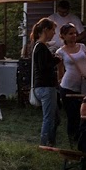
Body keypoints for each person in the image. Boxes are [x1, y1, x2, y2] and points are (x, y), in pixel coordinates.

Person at [56, 23, 86, 144]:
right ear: (63, 36)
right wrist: (59, 83)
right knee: (72, 115)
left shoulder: (82, 47)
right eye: (70, 34)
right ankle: (72, 139)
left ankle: (83, 137)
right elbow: (60, 71)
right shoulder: (60, 51)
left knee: (83, 113)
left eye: (75, 33)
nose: (73, 36)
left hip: (84, 84)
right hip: (68, 85)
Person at [29, 18, 60, 146]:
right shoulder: (41, 47)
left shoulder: (39, 46)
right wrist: (56, 60)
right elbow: (43, 67)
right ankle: (44, 143)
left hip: (43, 86)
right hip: (45, 86)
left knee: (55, 118)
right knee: (49, 118)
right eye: (53, 30)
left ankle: (51, 142)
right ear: (46, 30)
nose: (54, 33)